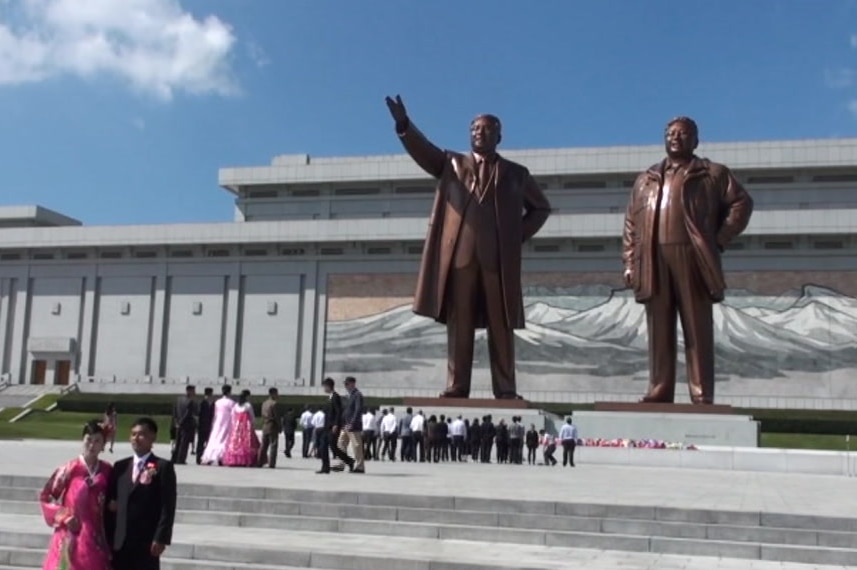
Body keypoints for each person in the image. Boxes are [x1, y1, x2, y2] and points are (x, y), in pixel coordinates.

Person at [385, 95, 551, 399]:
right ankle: (457, 385)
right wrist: (404, 126)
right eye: (474, 128)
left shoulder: (517, 174)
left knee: (501, 326)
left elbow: (541, 209)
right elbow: (425, 153)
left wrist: (515, 238)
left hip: (497, 262)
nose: (479, 133)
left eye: (487, 129)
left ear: (499, 136)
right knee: (459, 325)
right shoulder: (452, 164)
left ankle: (506, 389)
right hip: (460, 259)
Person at [622, 116, 753, 404]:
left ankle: (701, 391)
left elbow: (741, 203)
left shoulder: (713, 173)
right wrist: (631, 262)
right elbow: (631, 223)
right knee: (659, 327)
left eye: (683, 133)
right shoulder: (646, 179)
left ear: (695, 140)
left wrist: (720, 238)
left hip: (692, 255)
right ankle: (660, 388)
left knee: (696, 325)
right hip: (653, 259)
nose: (675, 138)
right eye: (670, 133)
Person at [39, 420, 112, 570]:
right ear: (82, 440)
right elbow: (46, 496)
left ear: (103, 445)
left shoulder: (107, 471)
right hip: (70, 532)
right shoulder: (69, 469)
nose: (92, 445)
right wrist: (64, 516)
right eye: (88, 440)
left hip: (96, 535)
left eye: (97, 441)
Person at [105, 417, 177, 570]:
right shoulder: (120, 467)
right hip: (120, 541)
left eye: (141, 434)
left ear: (153, 438)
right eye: (133, 434)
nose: (135, 439)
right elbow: (110, 499)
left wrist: (161, 537)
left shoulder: (162, 467)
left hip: (147, 541)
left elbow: (167, 506)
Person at [317, 378, 353, 474]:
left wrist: (336, 424)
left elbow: (338, 411)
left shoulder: (335, 397)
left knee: (333, 448)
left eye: (324, 386)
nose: (324, 388)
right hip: (327, 426)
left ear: (328, 386)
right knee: (324, 446)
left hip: (333, 427)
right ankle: (325, 467)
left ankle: (349, 461)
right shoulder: (329, 397)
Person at [222, 390, 260, 467]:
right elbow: (252, 416)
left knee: (236, 443)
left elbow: (233, 416)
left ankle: (235, 460)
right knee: (247, 443)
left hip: (237, 426)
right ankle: (248, 460)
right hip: (246, 427)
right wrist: (253, 424)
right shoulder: (248, 405)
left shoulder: (236, 406)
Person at [335, 376, 365, 473]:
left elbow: (358, 410)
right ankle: (341, 463)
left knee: (356, 446)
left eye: (347, 384)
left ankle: (360, 466)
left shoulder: (357, 395)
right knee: (341, 444)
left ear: (353, 383)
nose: (345, 385)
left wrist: (352, 423)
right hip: (345, 425)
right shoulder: (348, 395)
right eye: (344, 384)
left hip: (353, 426)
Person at [200, 384, 234, 465]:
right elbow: (234, 414)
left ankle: (210, 457)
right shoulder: (231, 402)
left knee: (214, 439)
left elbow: (215, 414)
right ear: (229, 392)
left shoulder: (217, 402)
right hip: (227, 423)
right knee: (224, 440)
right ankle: (222, 458)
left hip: (218, 423)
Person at [171, 385, 197, 464]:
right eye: (193, 391)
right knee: (184, 443)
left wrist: (176, 421)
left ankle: (174, 458)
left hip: (178, 424)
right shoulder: (190, 401)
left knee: (178, 442)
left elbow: (175, 410)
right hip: (186, 425)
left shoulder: (179, 399)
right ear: (190, 391)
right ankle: (181, 459)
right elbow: (187, 414)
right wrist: (181, 422)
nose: (194, 392)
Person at [258, 388, 282, 468]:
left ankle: (259, 461)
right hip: (272, 426)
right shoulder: (274, 404)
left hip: (265, 425)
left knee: (263, 445)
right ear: (273, 394)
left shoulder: (264, 403)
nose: (278, 395)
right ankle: (272, 463)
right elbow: (277, 417)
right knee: (273, 445)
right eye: (276, 393)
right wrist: (280, 426)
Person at [195, 387, 215, 465]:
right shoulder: (202, 402)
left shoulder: (212, 403)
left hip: (209, 426)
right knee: (201, 443)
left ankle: (207, 458)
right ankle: (199, 458)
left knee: (208, 443)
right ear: (209, 393)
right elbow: (198, 415)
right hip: (202, 426)